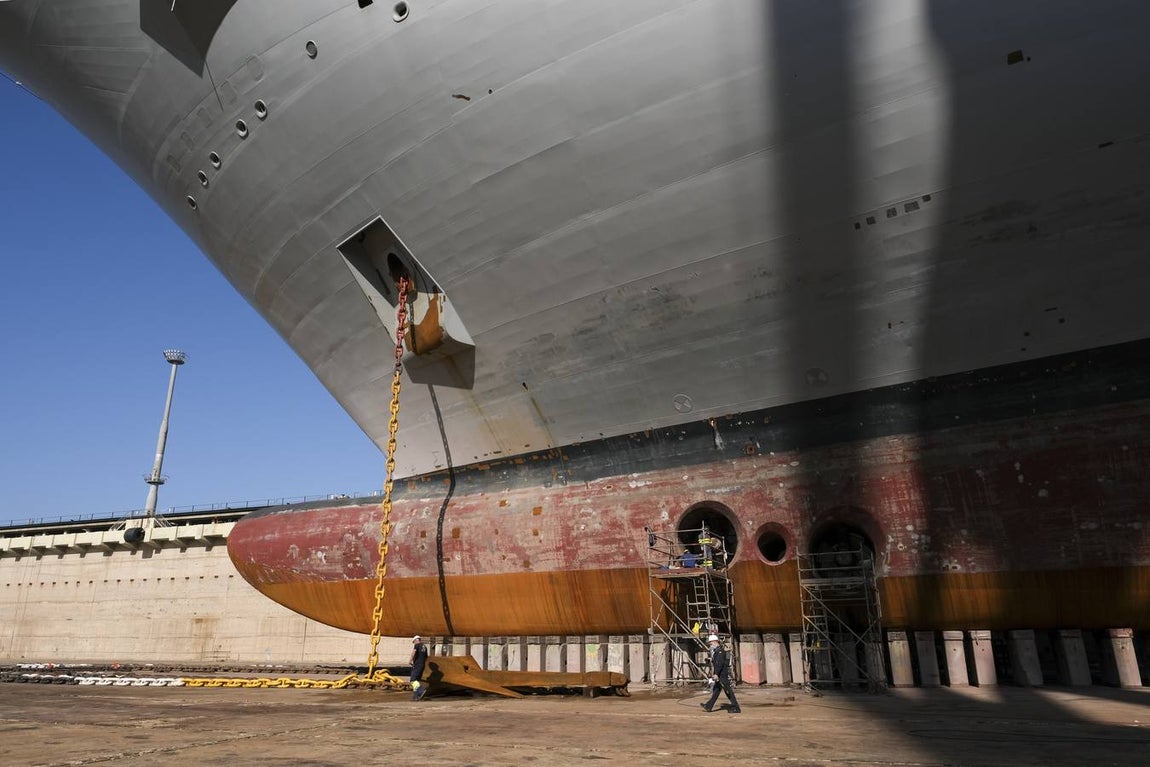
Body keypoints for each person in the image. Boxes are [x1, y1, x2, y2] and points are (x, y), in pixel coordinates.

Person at [700, 634, 740, 714]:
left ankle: (736, 707)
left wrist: (716, 674)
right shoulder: (717, 651)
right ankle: (709, 705)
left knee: (728, 691)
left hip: (722, 675)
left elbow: (719, 664)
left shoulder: (720, 651)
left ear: (715, 642)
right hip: (720, 674)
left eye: (711, 644)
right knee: (716, 690)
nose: (710, 646)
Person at [410, 635, 429, 701]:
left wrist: (410, 660)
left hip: (417, 664)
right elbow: (426, 657)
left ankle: (421, 690)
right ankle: (416, 696)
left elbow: (413, 652)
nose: (414, 643)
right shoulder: (425, 647)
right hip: (422, 665)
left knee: (413, 679)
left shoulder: (417, 645)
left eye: (414, 642)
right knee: (416, 680)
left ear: (416, 640)